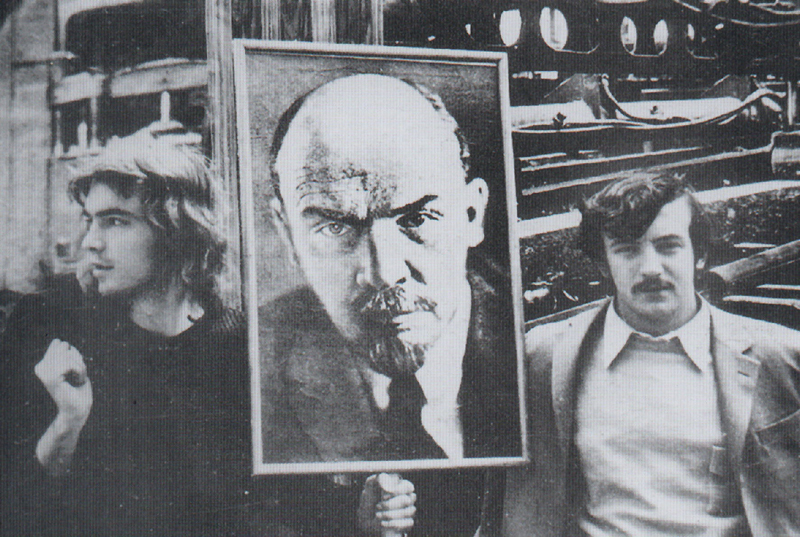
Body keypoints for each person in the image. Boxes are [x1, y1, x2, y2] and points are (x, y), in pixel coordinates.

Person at [0, 129, 415, 536]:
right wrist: (68, 422)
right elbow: (13, 505)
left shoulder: (241, 346)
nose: (91, 242)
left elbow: (279, 501)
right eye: (90, 220)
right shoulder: (49, 325)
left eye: (115, 221)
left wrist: (361, 517)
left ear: (177, 231)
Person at [259, 73, 520, 535]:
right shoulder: (248, 367)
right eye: (335, 227)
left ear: (471, 214)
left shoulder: (536, 348)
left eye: (417, 218)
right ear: (287, 234)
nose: (384, 273)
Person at [502, 173, 800, 536]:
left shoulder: (781, 358)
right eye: (627, 250)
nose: (650, 268)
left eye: (668, 246)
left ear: (699, 254)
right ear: (603, 263)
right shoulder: (544, 358)